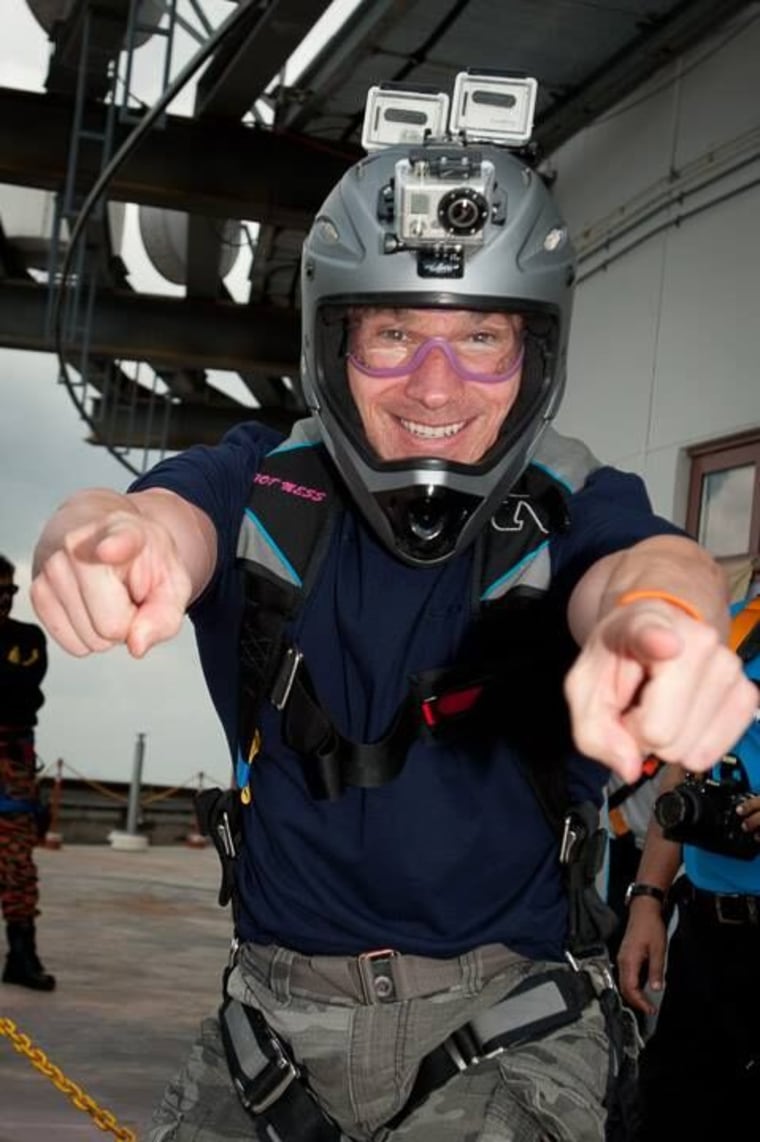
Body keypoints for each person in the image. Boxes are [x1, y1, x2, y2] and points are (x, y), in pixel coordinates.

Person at [30, 116, 756, 1142]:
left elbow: (648, 562)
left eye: (479, 337)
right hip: (274, 1026)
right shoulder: (260, 482)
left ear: (532, 352)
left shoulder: (570, 499)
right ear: (335, 341)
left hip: (505, 1023)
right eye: (393, 333)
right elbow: (157, 518)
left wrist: (663, 621)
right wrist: (105, 536)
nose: (434, 384)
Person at [617, 591, 760, 1140]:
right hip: (706, 943)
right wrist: (647, 900)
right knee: (668, 1113)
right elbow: (680, 780)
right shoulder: (732, 627)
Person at [0, 554, 55, 991]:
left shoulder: (27, 638)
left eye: (9, 591)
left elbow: (21, 692)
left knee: (18, 866)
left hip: (11, 769)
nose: (4, 599)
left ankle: (21, 955)